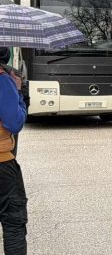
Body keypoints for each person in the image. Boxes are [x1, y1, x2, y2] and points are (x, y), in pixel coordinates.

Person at [0, 47, 28, 254]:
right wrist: (17, 91)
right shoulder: (3, 80)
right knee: (13, 222)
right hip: (2, 164)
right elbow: (14, 122)